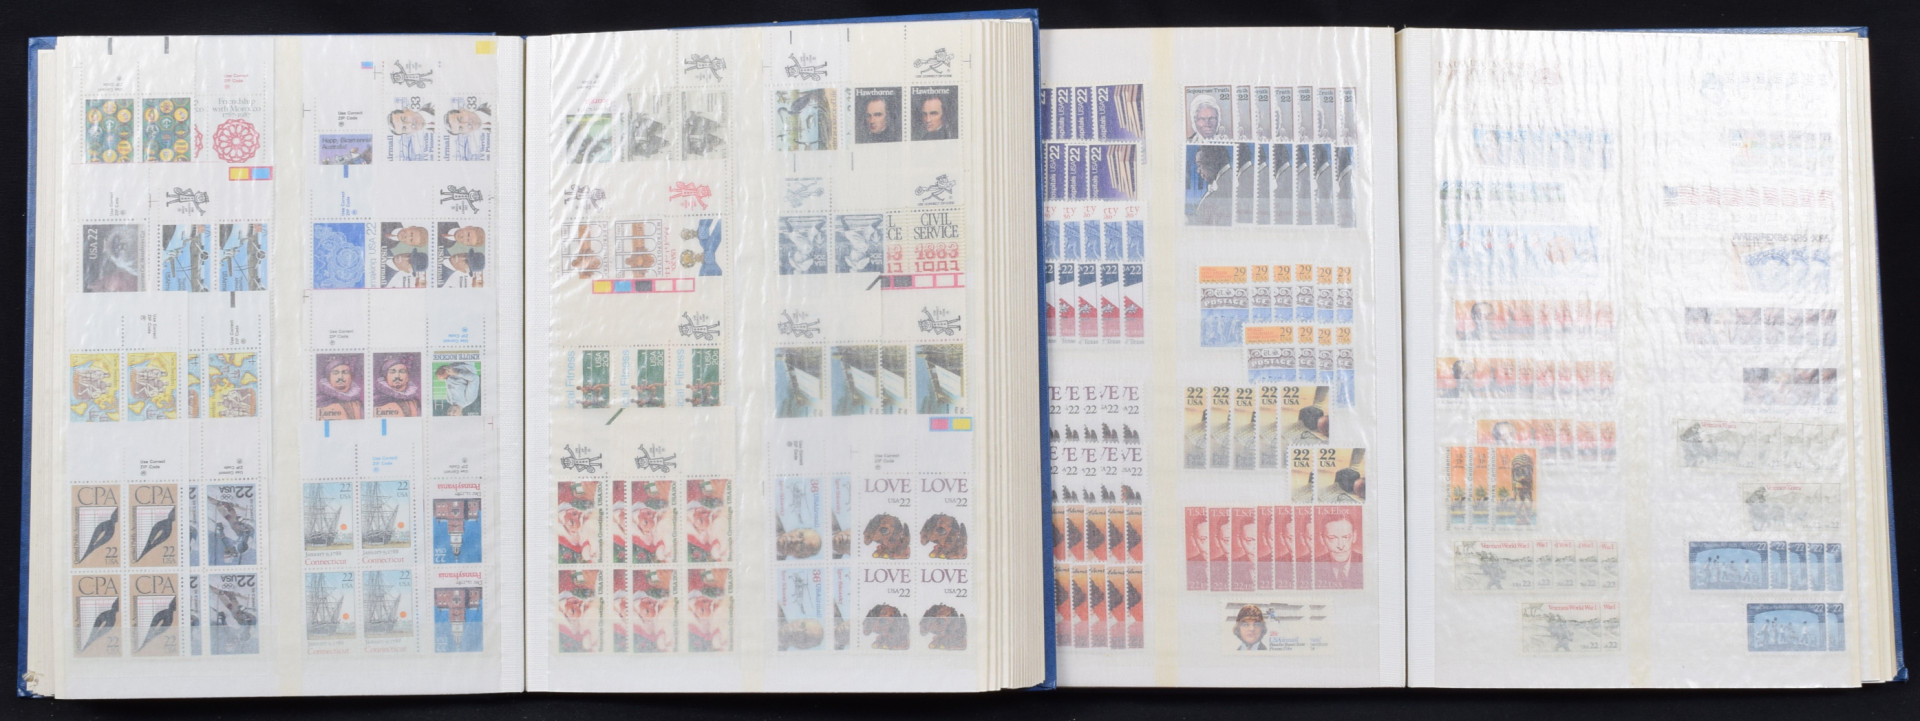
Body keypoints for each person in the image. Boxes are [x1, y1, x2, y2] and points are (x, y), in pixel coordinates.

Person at [1188, 144, 1232, 225]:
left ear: (1213, 162)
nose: (1198, 171)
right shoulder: (1226, 179)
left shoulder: (1222, 189)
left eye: (1199, 165)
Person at [1315, 516, 1363, 588]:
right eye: (1332, 538)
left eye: (1346, 537)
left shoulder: (1366, 563)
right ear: (1322, 539)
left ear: (1354, 536)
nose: (1340, 546)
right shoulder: (1312, 566)